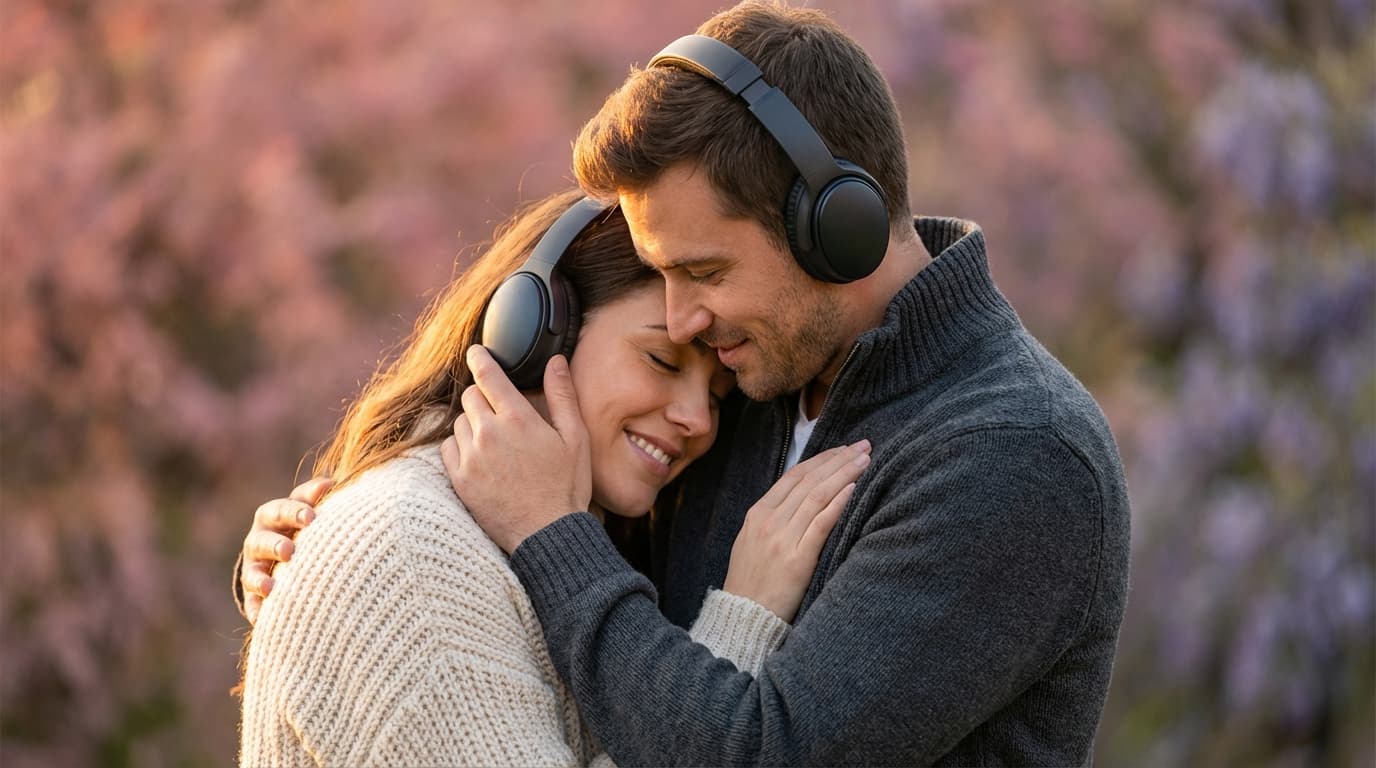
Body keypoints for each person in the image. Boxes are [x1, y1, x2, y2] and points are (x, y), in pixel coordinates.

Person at [241, 2, 1132, 765]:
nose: (684, 320)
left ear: (836, 228)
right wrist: (328, 569)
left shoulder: (1015, 458)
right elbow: (586, 662)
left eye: (703, 272)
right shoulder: (755, 378)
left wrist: (551, 537)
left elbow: (762, 752)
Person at [235, 189, 871, 767]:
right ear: (533, 333)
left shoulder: (559, 537)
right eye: (660, 359)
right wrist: (742, 621)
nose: (697, 419)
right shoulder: (410, 555)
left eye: (720, 394)